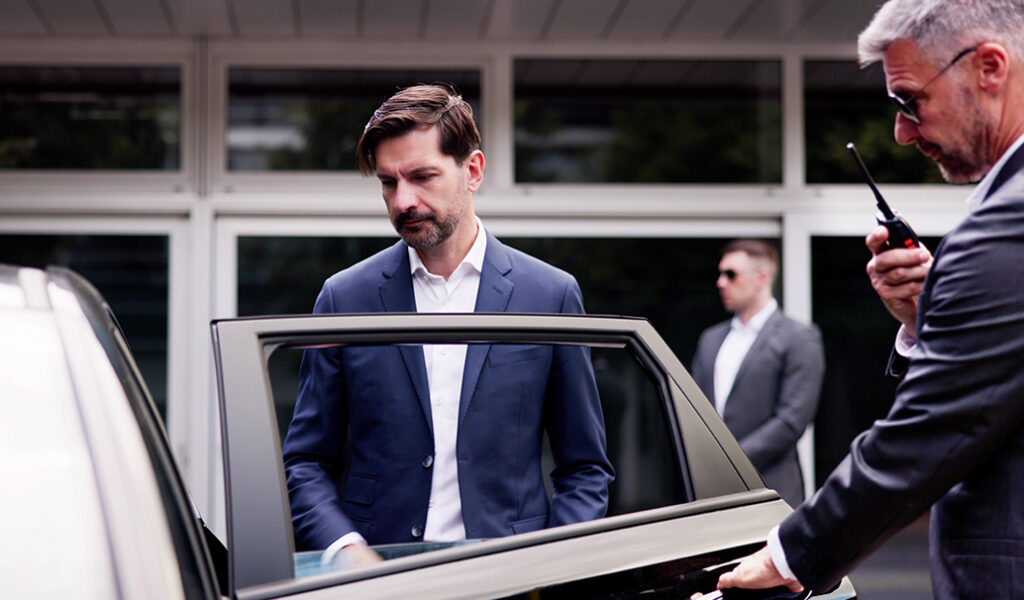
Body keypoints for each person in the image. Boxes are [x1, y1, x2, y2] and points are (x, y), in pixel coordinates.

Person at [718, 1, 1024, 597]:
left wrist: (789, 556)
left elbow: (930, 431)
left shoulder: (1008, 224)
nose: (903, 133)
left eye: (910, 101)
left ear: (990, 67)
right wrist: (922, 318)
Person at [281, 84, 613, 566]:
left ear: (472, 170)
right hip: (379, 583)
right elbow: (306, 462)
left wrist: (551, 568)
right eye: (389, 183)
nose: (403, 201)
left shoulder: (550, 295)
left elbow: (584, 468)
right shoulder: (344, 297)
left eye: (422, 176)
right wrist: (345, 550)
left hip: (509, 579)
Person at [691, 240, 824, 509]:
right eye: (720, 273)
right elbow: (694, 409)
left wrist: (732, 461)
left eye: (731, 274)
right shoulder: (711, 339)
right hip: (710, 495)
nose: (721, 282)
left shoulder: (799, 337)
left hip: (771, 493)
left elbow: (791, 421)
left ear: (762, 277)